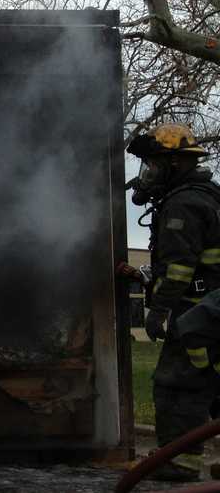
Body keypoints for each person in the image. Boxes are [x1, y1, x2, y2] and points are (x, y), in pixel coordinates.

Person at [129, 123, 220, 482]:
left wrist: (158, 311)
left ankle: (178, 465)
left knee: (177, 385)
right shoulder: (208, 195)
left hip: (197, 314)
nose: (148, 174)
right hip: (210, 310)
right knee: (212, 384)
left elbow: (180, 269)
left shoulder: (183, 204)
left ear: (175, 164)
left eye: (153, 165)